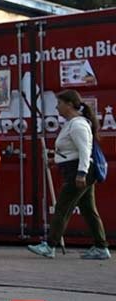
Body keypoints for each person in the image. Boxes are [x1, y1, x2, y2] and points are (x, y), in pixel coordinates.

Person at [27, 90, 109, 260]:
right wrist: (55, 160)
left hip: (79, 172)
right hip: (77, 169)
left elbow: (85, 151)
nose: (57, 108)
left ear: (69, 104)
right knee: (88, 210)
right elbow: (70, 151)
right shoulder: (71, 124)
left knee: (63, 208)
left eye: (59, 104)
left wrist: (81, 174)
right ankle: (101, 247)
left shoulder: (78, 124)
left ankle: (49, 246)